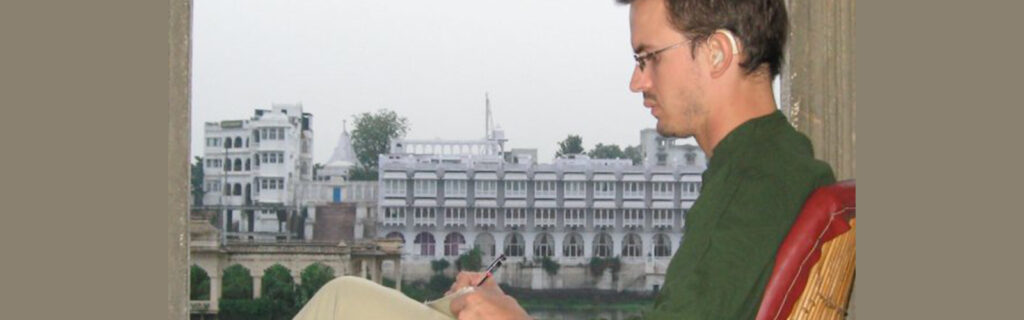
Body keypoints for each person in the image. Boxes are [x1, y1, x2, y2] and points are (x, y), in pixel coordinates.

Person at [295, 0, 834, 318]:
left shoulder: (749, 185)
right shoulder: (783, 161)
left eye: (649, 58)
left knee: (340, 301)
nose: (636, 80)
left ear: (717, 52)